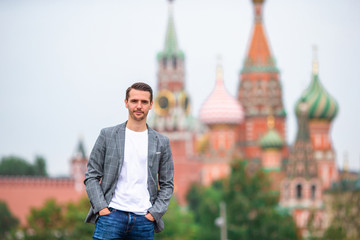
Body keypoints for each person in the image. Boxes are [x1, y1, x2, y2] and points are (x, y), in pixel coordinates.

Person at [84, 82, 174, 240]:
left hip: (144, 220)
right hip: (111, 216)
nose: (139, 106)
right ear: (126, 103)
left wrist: (154, 213)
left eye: (144, 102)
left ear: (151, 105)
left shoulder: (161, 142)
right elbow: (91, 175)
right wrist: (102, 209)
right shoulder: (108, 135)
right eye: (134, 101)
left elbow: (167, 184)